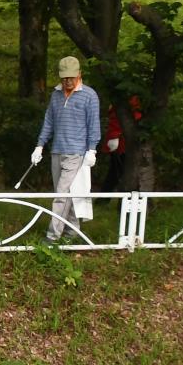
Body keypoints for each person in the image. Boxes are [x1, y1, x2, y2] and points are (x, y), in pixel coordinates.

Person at [31, 55, 101, 241]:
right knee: (65, 195)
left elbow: (93, 125)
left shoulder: (89, 95)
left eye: (70, 77)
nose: (67, 81)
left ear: (79, 74)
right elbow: (49, 121)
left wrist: (92, 149)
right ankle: (72, 232)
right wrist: (39, 146)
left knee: (61, 195)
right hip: (57, 150)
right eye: (64, 78)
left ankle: (52, 237)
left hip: (76, 153)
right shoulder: (56, 94)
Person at [102, 94, 142, 192]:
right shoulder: (126, 100)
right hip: (121, 142)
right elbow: (116, 119)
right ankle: (104, 198)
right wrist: (114, 136)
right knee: (117, 171)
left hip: (127, 141)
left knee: (119, 171)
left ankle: (104, 198)